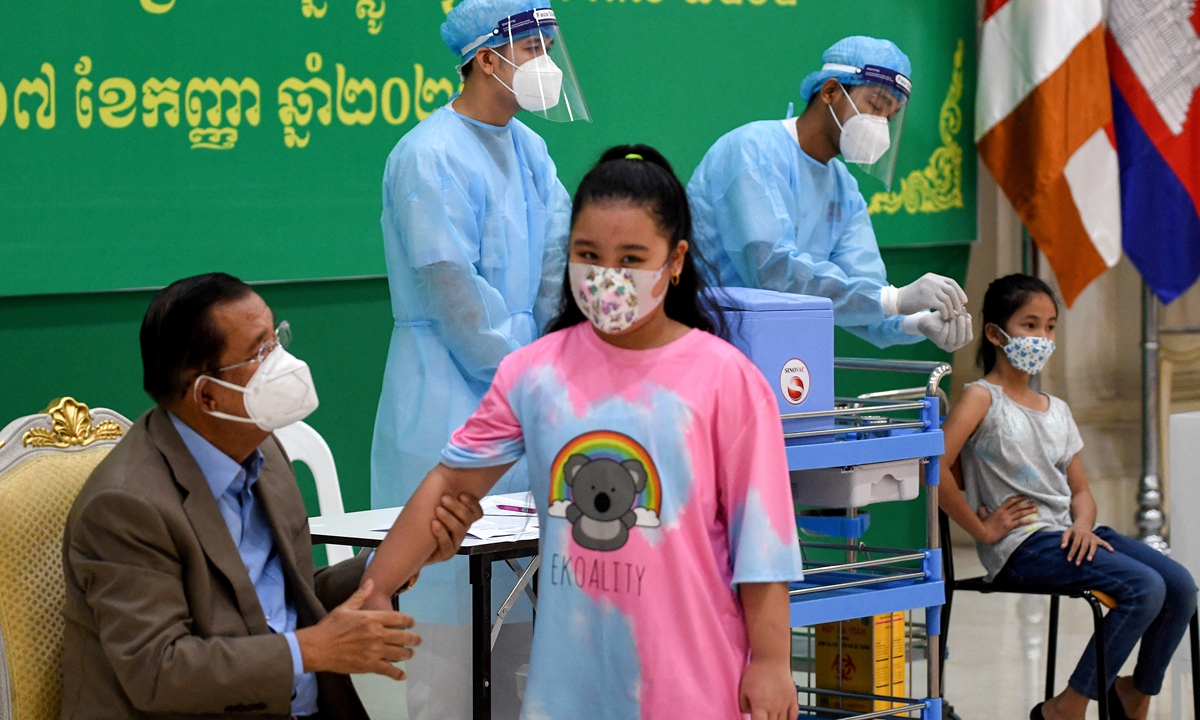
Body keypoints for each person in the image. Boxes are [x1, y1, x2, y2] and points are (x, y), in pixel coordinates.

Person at [360, 145, 805, 720]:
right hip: (566, 691)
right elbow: (453, 484)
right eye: (588, 255)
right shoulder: (535, 372)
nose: (606, 278)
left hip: (689, 687)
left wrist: (771, 660)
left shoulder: (728, 381)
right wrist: (375, 588)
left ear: (675, 260)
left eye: (631, 259)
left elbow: (762, 546)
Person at [62, 273, 483, 719]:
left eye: (277, 338)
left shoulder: (262, 449)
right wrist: (309, 651)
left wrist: (394, 565)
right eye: (260, 352)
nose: (283, 361)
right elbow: (160, 671)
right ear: (208, 396)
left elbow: (284, 598)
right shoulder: (126, 506)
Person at [370, 0, 589, 713]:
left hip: (524, 391)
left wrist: (567, 353)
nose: (546, 63)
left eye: (548, 45)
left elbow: (562, 258)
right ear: (487, 56)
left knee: (522, 617)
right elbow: (456, 297)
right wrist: (535, 379)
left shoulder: (530, 148)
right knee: (448, 630)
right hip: (445, 391)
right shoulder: (427, 157)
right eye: (534, 46)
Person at [939, 273, 1198, 720]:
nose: (1042, 337)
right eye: (1030, 325)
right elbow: (934, 466)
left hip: (1069, 533)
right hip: (1022, 545)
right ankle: (1067, 707)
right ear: (995, 333)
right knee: (1143, 587)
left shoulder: (1056, 409)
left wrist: (1082, 524)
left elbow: (1080, 491)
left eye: (1050, 326)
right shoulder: (983, 398)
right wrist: (982, 528)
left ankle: (1135, 691)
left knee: (1180, 586)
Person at [687, 36, 972, 352]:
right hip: (710, 343)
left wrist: (913, 321)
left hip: (782, 352)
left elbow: (864, 295)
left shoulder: (844, 189)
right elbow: (771, 271)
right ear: (831, 91)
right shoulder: (752, 151)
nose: (881, 124)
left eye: (890, 117)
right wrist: (894, 299)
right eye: (876, 105)